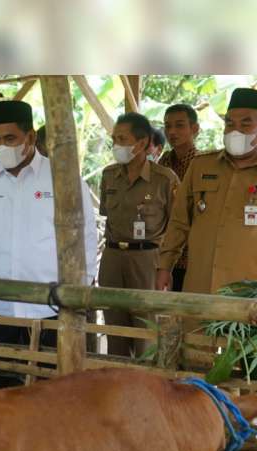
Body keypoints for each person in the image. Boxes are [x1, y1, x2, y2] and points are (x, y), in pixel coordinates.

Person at [0, 100, 97, 387]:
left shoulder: (62, 180)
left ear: (30, 138)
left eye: (10, 139)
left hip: (51, 306)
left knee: (51, 393)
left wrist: (83, 285)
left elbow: (86, 236)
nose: (1, 146)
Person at [156, 88, 257, 297]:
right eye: (229, 123)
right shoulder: (200, 167)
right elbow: (179, 222)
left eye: (245, 123)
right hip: (200, 288)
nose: (236, 131)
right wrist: (165, 266)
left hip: (252, 295)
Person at [99, 112, 178, 357]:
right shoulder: (109, 175)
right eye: (114, 139)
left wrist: (166, 266)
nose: (116, 145)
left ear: (142, 143)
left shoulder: (164, 179)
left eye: (122, 139)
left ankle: (145, 385)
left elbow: (177, 227)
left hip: (147, 260)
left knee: (147, 327)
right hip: (112, 257)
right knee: (114, 326)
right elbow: (105, 214)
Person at [158, 103, 200, 292]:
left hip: (193, 254)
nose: (172, 131)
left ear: (195, 129)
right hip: (165, 254)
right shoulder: (164, 162)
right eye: (167, 126)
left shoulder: (203, 164)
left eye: (179, 125)